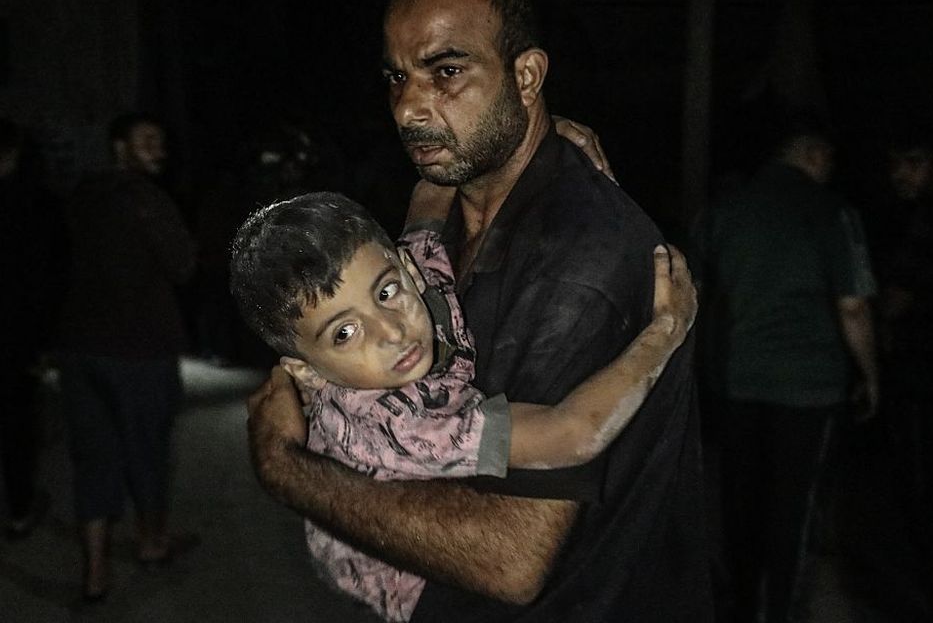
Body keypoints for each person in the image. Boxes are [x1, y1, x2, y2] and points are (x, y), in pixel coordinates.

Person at [247, 0, 712, 621]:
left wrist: (286, 468)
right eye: (397, 77)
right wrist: (545, 126)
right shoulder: (448, 216)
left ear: (526, 76)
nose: (409, 107)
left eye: (446, 71)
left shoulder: (577, 266)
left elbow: (510, 559)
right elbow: (425, 199)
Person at [231, 189, 696, 622]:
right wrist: (665, 332)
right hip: (415, 589)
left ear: (407, 268)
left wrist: (562, 140)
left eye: (386, 292)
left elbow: (428, 202)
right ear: (307, 372)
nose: (391, 331)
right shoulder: (399, 421)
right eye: (345, 333)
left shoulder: (423, 268)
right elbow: (572, 435)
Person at [695, 110, 879, 623]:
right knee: (794, 509)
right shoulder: (832, 212)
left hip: (739, 380)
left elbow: (697, 297)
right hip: (811, 387)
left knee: (740, 503)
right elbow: (853, 307)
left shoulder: (723, 211)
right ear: (813, 154)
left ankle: (740, 605)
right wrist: (871, 375)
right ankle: (779, 609)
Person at [57, 113, 197, 602]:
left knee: (93, 456)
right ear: (120, 146)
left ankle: (95, 572)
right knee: (146, 450)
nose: (159, 149)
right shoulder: (147, 200)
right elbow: (182, 265)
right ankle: (151, 542)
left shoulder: (79, 196)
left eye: (160, 141)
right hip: (140, 347)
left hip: (79, 346)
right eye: (147, 141)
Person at [876, 127, 933, 609]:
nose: (899, 175)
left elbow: (896, 299)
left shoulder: (932, 220)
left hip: (931, 379)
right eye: (895, 163)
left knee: (930, 490)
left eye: (912, 163)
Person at [0, 117, 63, 539]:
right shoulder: (33, 204)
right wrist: (42, 342)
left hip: (15, 330)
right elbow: (46, 278)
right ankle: (20, 507)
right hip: (14, 334)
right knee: (17, 422)